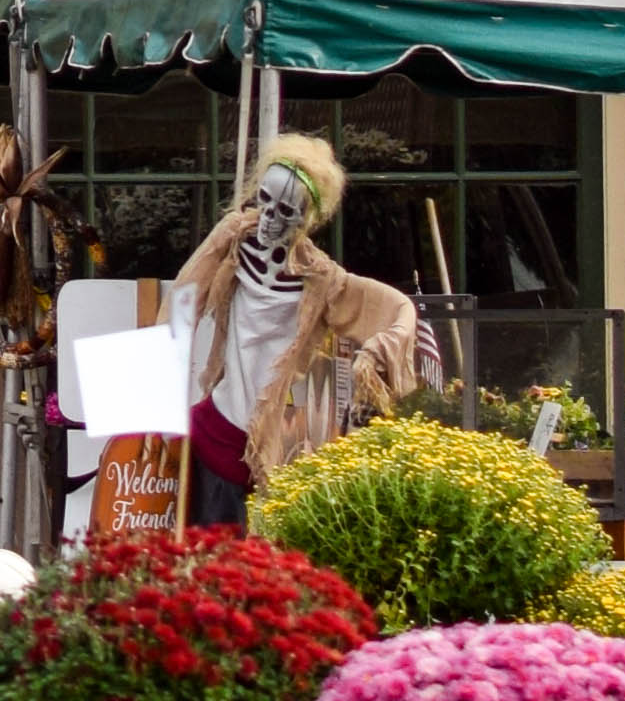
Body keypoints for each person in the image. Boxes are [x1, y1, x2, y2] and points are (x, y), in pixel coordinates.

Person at [170, 131, 431, 522]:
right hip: (216, 427)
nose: (270, 219)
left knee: (260, 558)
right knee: (208, 553)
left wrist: (381, 349)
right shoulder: (233, 240)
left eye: (286, 212)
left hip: (272, 443)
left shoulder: (322, 279)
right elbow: (182, 299)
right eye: (265, 201)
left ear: (307, 220)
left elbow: (395, 307)